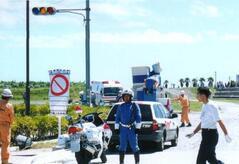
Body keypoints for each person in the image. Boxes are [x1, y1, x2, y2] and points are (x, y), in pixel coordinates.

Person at [186, 87, 232, 164]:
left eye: (198, 94)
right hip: (206, 135)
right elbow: (203, 123)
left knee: (200, 160)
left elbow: (220, 121)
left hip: (211, 136)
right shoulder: (204, 105)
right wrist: (193, 133)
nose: (196, 96)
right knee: (211, 159)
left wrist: (226, 134)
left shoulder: (212, 106)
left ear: (203, 96)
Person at [115, 89, 141, 164]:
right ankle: (121, 162)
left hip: (131, 128)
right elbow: (117, 118)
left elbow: (138, 116)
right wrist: (116, 128)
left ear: (131, 97)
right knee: (122, 146)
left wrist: (138, 127)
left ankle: (137, 162)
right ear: (123, 97)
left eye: (128, 96)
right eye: (125, 96)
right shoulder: (121, 106)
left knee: (134, 146)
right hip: (123, 129)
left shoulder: (134, 105)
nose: (126, 98)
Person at [0, 89, 14, 164]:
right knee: (5, 143)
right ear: (8, 97)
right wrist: (10, 124)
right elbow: (11, 117)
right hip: (5, 126)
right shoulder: (9, 106)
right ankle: (5, 161)